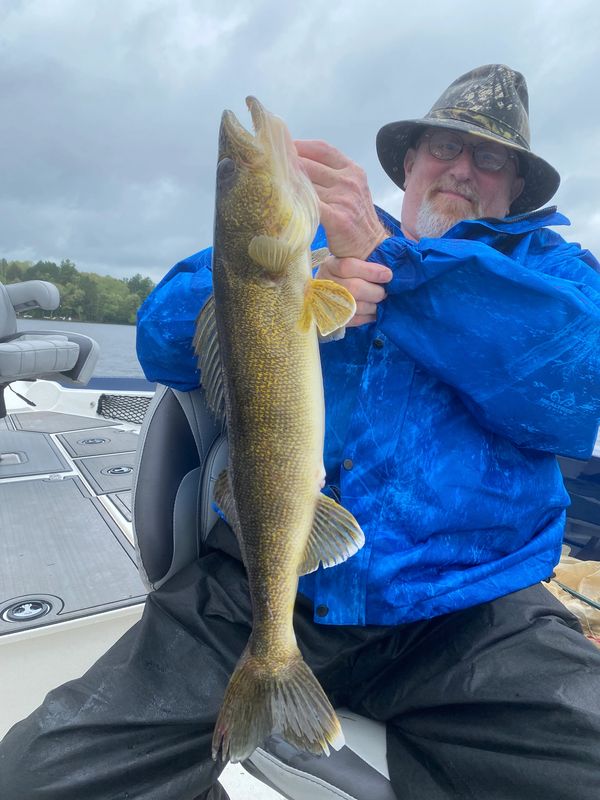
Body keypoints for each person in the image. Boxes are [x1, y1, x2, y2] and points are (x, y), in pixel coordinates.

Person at [2, 64, 600, 800]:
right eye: (444, 148)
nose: (463, 168)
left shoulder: (555, 273)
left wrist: (395, 265)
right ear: (408, 164)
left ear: (517, 188)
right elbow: (163, 337)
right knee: (36, 778)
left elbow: (571, 385)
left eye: (490, 158)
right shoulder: (308, 239)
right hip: (259, 589)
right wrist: (302, 267)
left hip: (472, 612)